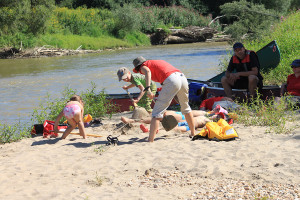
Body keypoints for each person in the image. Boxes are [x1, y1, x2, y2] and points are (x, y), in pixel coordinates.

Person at [132, 56, 195, 142]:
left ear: (137, 67)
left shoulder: (143, 66)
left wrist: (148, 89)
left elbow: (147, 71)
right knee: (186, 107)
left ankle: (150, 140)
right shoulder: (155, 62)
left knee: (156, 113)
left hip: (171, 80)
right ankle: (193, 133)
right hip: (182, 77)